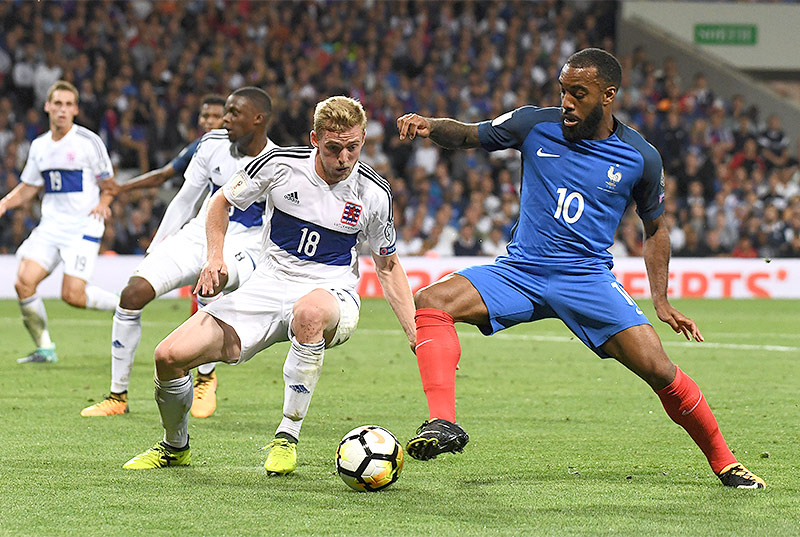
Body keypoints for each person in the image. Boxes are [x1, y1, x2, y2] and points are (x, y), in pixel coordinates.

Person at [396, 48, 765, 489]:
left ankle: (725, 461)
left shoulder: (640, 157)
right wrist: (430, 126)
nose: (567, 101)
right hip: (521, 271)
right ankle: (442, 423)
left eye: (578, 93)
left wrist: (661, 300)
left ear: (608, 95)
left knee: (660, 370)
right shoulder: (534, 123)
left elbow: (655, 230)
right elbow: (467, 135)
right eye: (563, 91)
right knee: (431, 301)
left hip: (586, 279)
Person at [122, 96, 415, 476]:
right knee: (168, 356)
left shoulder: (373, 194)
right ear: (314, 139)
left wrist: (414, 332)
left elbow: (388, 265)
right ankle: (175, 448)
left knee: (308, 313)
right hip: (268, 285)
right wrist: (215, 258)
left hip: (331, 293)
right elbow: (219, 203)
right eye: (333, 148)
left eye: (353, 148)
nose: (344, 158)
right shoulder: (280, 166)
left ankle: (286, 436)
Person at [80, 87, 277, 418]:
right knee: (132, 293)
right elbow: (186, 198)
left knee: (212, 282)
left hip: (245, 242)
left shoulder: (278, 161)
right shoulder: (212, 145)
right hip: (200, 233)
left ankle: (204, 379)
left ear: (258, 120)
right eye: (223, 111)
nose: (223, 120)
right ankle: (117, 397)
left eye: (232, 114)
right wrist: (157, 247)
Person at [0, 80, 119, 364]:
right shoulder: (39, 146)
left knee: (73, 296)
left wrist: (103, 204)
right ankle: (45, 348)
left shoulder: (89, 142)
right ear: (47, 106)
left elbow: (111, 186)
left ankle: (122, 303)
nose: (62, 110)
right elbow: (30, 187)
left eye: (68, 105)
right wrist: (4, 202)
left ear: (76, 109)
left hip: (83, 227)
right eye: (58, 104)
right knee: (23, 283)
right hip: (51, 227)